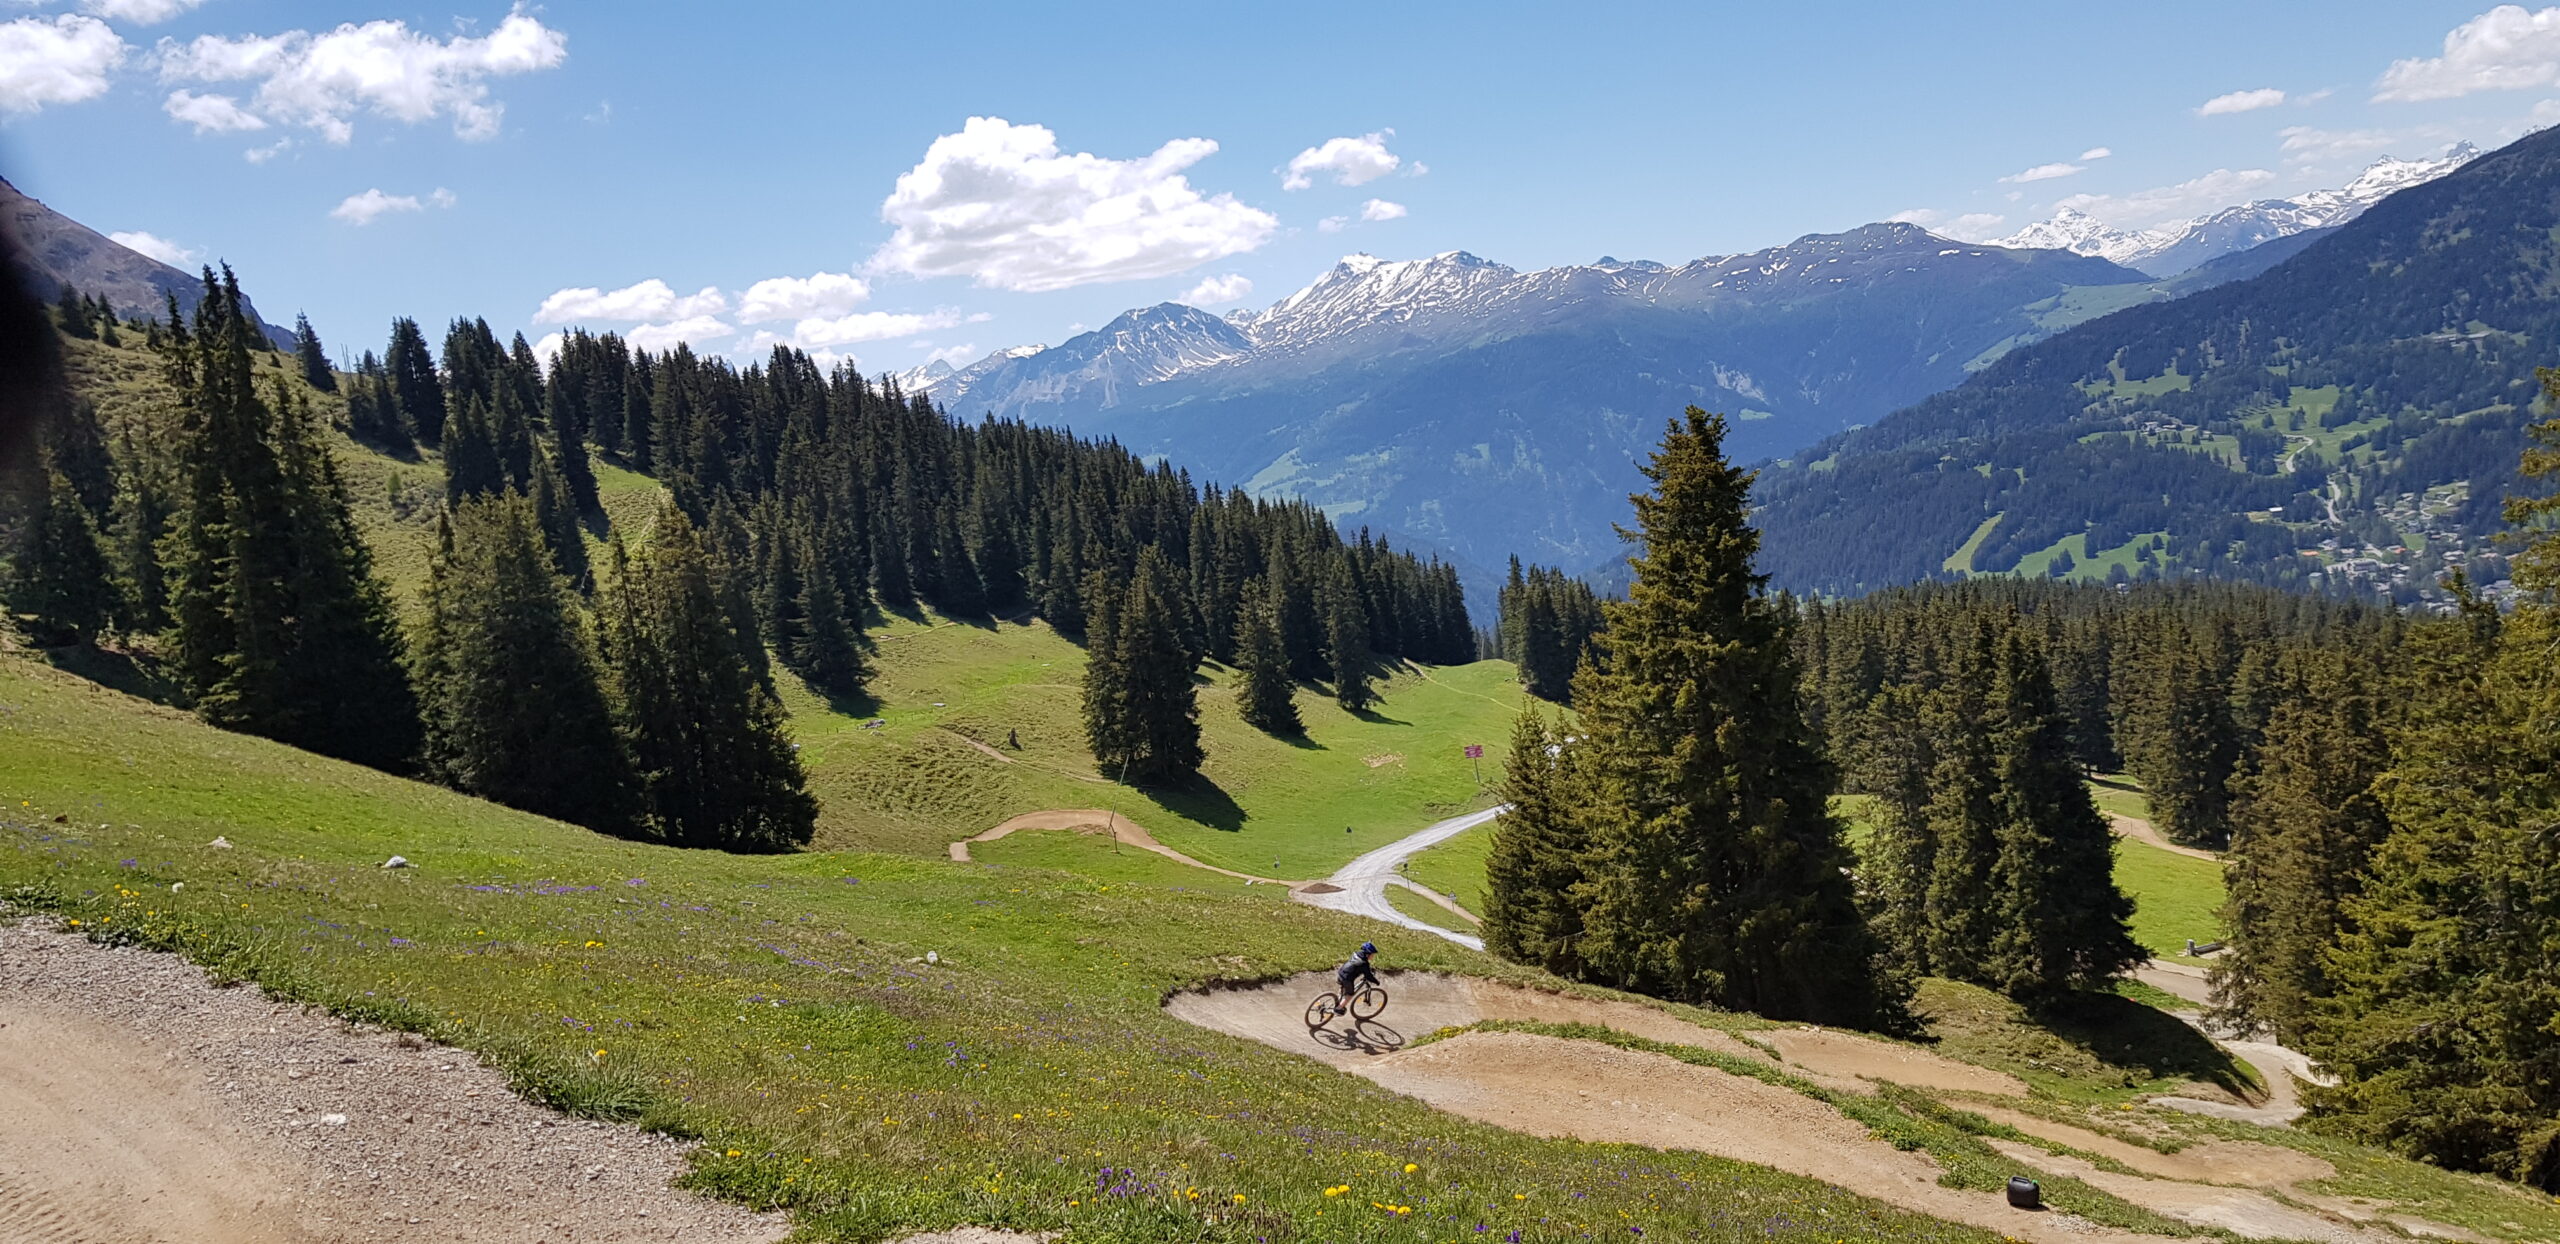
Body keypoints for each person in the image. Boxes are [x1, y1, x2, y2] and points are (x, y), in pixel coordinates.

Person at [1335, 941, 1380, 1005]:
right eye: (1372, 954)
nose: (1373, 956)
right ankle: (1338, 1009)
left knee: (1343, 988)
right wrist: (1376, 982)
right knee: (1350, 994)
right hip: (1347, 979)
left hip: (1341, 972)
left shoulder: (1356, 954)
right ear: (1367, 954)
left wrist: (1368, 969)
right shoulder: (1364, 963)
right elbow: (1368, 976)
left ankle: (1337, 1000)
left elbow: (1356, 966)